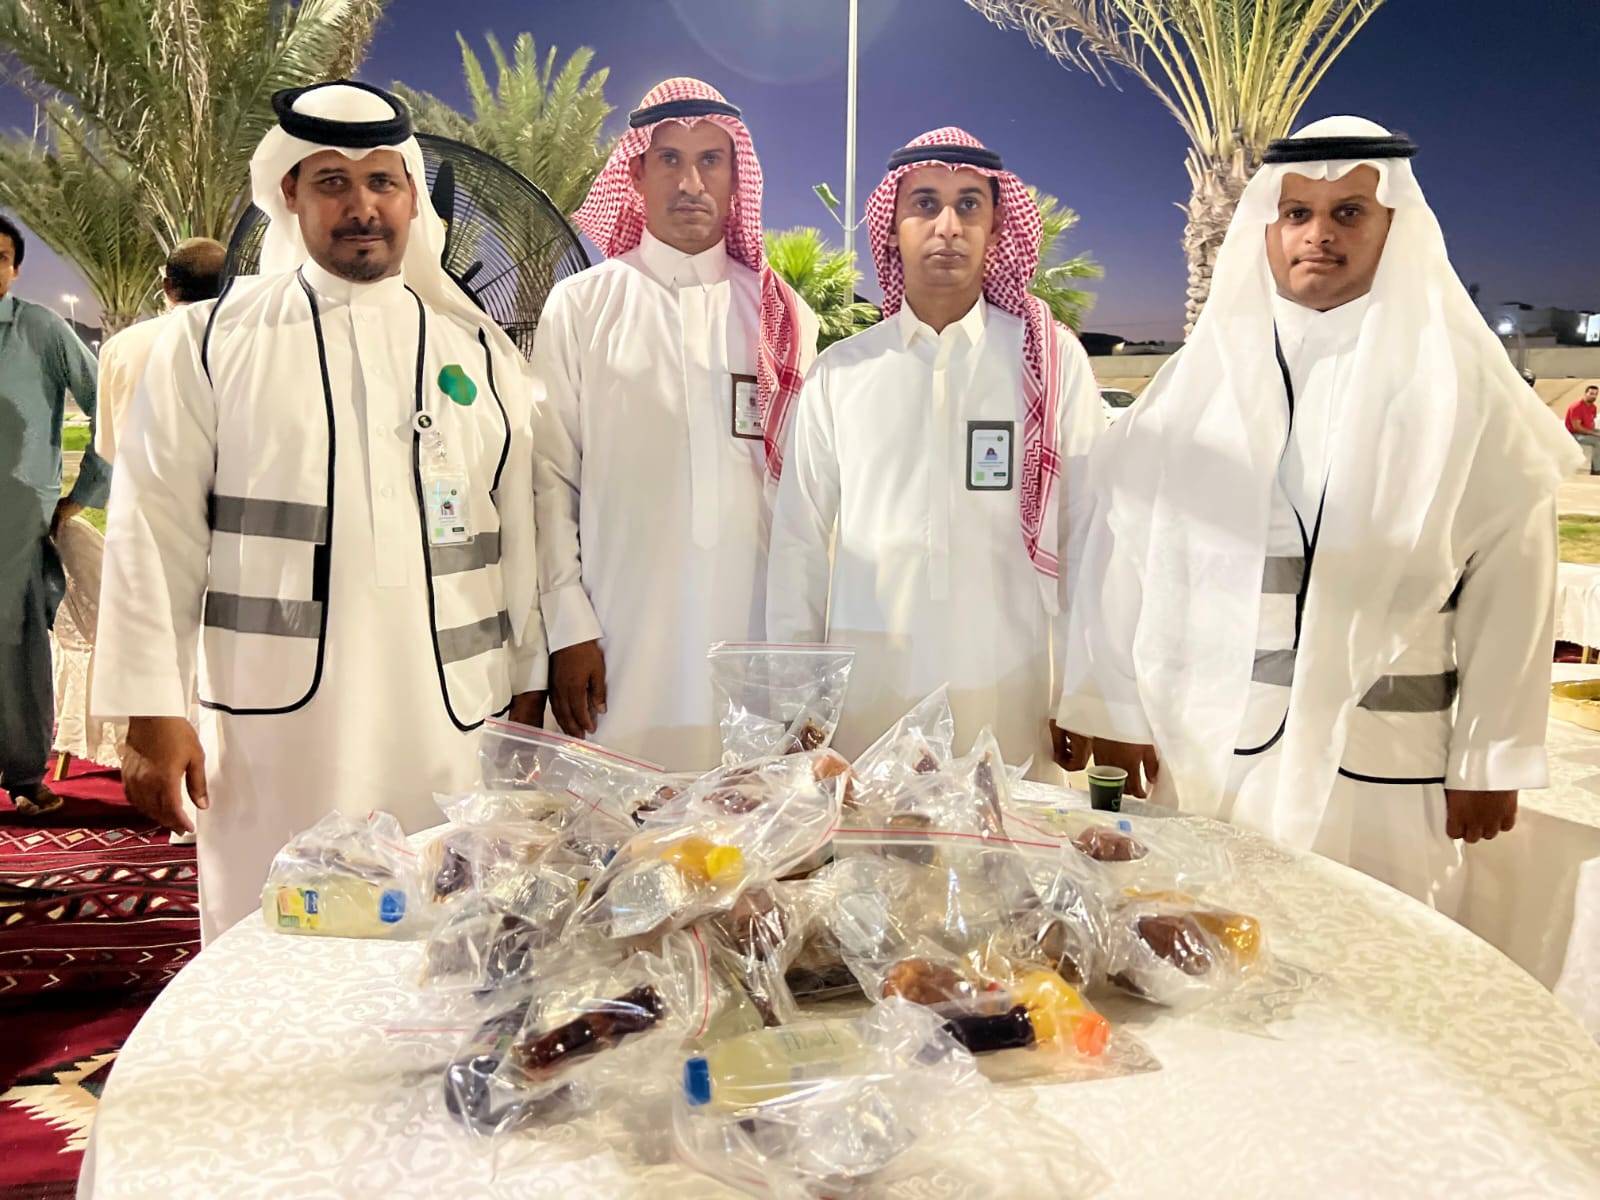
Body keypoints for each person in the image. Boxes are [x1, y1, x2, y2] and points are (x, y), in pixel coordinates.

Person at [1058, 117, 1580, 909]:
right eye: (1296, 213)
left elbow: (1515, 585)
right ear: (1266, 228)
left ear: (1394, 227)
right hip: (1210, 750)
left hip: (1387, 767)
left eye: (1349, 213)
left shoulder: (1464, 389)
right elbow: (1120, 552)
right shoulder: (1195, 386)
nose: (1319, 235)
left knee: (1382, 957)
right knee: (1203, 946)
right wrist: (1113, 709)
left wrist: (1491, 755)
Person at [93, 82, 547, 941]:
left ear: (412, 200)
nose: (361, 206)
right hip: (278, 731)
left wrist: (529, 679)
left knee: (445, 949)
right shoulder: (210, 343)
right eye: (332, 181)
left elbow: (514, 533)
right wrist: (150, 709)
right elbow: (151, 531)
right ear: (289, 194)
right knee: (271, 948)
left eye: (382, 182)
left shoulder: (480, 354)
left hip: (452, 718)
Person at [766, 129, 1101, 771]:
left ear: (996, 228)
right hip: (869, 692)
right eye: (925, 204)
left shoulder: (1048, 360)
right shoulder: (842, 371)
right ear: (892, 227)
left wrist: (1086, 691)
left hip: (1009, 688)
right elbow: (799, 542)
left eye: (969, 205)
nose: (948, 225)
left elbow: (1086, 533)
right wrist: (796, 695)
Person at [531, 78, 819, 769]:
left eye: (710, 160)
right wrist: (568, 627)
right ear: (635, 174)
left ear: (736, 176)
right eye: (669, 160)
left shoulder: (784, 317)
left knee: (748, 818)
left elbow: (808, 503)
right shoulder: (582, 305)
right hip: (618, 640)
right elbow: (548, 479)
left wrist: (802, 658)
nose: (691, 183)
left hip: (754, 643)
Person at [0, 213, 109, 816]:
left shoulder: (39, 329)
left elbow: (108, 409)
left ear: (15, 269)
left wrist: (83, 492)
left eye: (0, 257)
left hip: (16, 521)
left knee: (17, 646)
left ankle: (23, 773)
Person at [94, 237, 227, 465]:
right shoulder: (249, 343)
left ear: (167, 287)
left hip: (139, 485)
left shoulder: (118, 348)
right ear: (229, 283)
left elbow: (107, 447)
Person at [1564, 383, 1599, 474]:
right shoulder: (1576, 407)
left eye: (1596, 394)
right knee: (1598, 442)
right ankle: (1597, 470)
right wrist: (1595, 433)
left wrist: (1596, 431)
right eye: (1591, 393)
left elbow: (1590, 424)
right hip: (1574, 434)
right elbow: (1577, 428)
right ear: (1585, 393)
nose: (1593, 396)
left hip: (1586, 432)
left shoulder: (1593, 407)